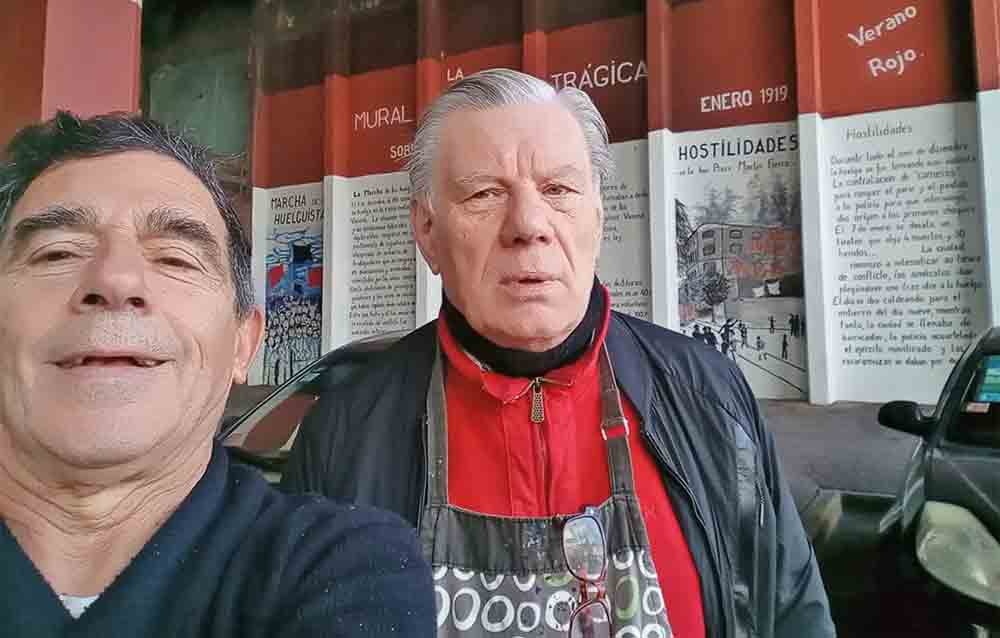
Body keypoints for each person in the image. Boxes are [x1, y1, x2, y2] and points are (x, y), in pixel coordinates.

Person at [282, 69, 833, 638]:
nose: (528, 225)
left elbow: (791, 614)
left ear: (597, 215)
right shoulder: (345, 434)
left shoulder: (709, 397)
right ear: (427, 230)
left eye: (558, 190)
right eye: (484, 193)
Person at [0, 112, 434, 637]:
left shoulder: (340, 567)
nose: (115, 279)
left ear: (243, 344)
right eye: (58, 252)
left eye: (175, 259)